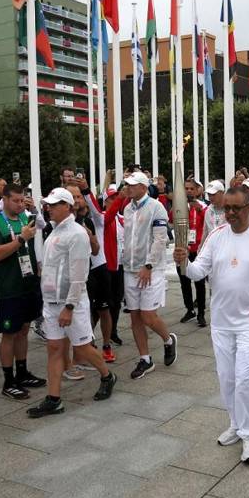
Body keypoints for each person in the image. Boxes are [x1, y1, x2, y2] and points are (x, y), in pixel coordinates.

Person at [173, 187, 249, 464]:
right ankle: (236, 424)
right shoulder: (215, 236)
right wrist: (184, 264)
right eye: (227, 208)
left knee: (245, 378)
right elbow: (199, 270)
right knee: (227, 378)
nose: (231, 214)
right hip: (221, 322)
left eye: (237, 208)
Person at [27, 188, 117, 418]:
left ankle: (107, 375)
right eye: (48, 204)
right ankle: (54, 398)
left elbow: (79, 275)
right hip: (51, 301)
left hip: (71, 303)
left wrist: (69, 307)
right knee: (54, 349)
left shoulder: (77, 234)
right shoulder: (54, 230)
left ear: (67, 206)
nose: (50, 208)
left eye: (55, 204)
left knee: (83, 348)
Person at [0, 184, 46, 400]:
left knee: (24, 328)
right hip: (8, 287)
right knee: (9, 333)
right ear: (5, 199)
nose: (21, 204)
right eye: (16, 201)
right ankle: (8, 380)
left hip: (27, 284)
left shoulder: (24, 219)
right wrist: (20, 239)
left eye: (23, 201)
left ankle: (22, 371)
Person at [119, 171, 177, 379]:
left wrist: (149, 265)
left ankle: (168, 339)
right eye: (127, 184)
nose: (129, 187)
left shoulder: (156, 207)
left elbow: (160, 240)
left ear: (144, 187)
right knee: (134, 315)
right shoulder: (127, 208)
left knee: (148, 316)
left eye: (133, 185)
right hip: (130, 269)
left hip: (151, 269)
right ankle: (145, 358)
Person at [66, 182, 116, 364]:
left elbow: (95, 250)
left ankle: (106, 344)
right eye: (74, 197)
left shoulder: (88, 220)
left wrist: (91, 237)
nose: (77, 200)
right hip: (78, 274)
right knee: (83, 312)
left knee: (103, 309)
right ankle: (83, 351)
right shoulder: (60, 223)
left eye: (79, 196)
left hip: (97, 268)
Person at [178, 178, 208, 327]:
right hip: (183, 250)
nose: (189, 191)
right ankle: (189, 309)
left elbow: (207, 224)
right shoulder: (180, 205)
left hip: (198, 250)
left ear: (197, 190)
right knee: (184, 281)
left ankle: (201, 312)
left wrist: (200, 211)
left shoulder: (202, 206)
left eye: (191, 189)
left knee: (199, 282)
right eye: (186, 188)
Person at [202, 180, 227, 245]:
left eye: (213, 194)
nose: (210, 197)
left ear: (222, 192)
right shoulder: (208, 210)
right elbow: (205, 232)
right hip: (213, 248)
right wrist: (201, 248)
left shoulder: (231, 210)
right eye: (209, 194)